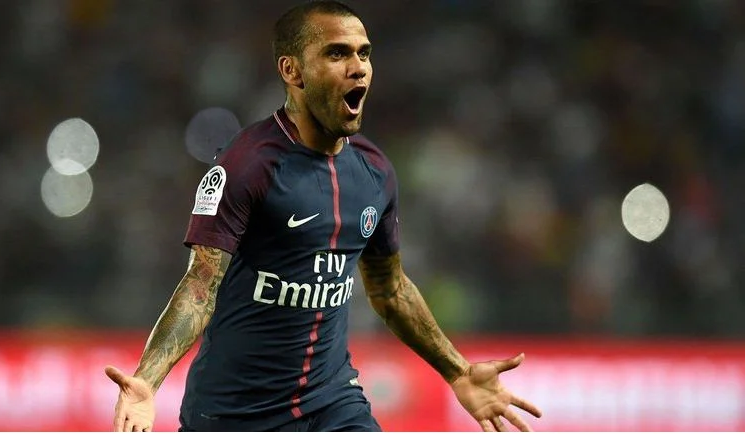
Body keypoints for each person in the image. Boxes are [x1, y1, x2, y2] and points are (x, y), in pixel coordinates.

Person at [105, 1, 542, 431]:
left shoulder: (374, 171)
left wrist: (458, 372)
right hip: (236, 412)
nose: (359, 68)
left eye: (364, 54)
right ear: (292, 71)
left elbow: (390, 290)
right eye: (337, 53)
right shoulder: (246, 165)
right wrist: (148, 380)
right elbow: (200, 286)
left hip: (333, 403)